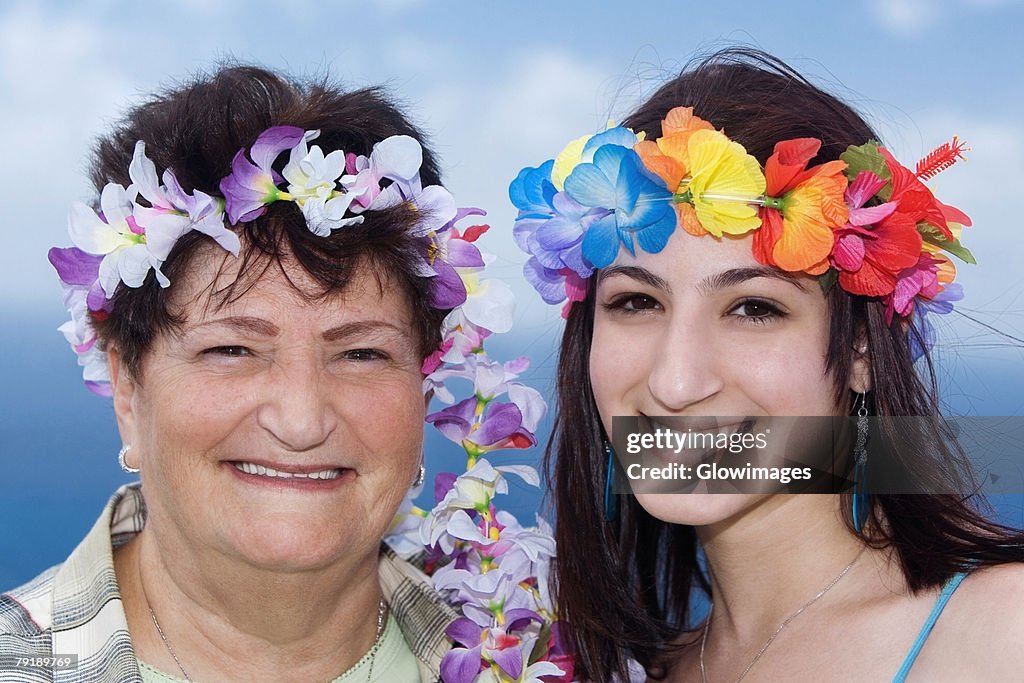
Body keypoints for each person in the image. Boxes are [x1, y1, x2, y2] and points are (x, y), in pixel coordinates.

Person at [511, 48, 1024, 681]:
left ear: (862, 347)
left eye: (754, 308)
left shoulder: (1001, 633)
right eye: (637, 301)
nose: (676, 383)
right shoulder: (633, 669)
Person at [0, 65, 491, 682]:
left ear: (423, 382)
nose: (301, 420)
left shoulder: (535, 654)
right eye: (232, 350)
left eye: (362, 354)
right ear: (127, 385)